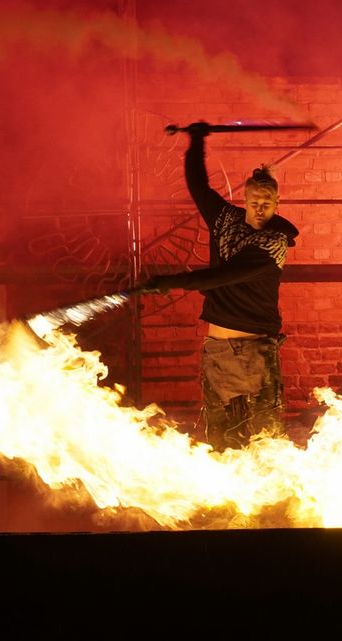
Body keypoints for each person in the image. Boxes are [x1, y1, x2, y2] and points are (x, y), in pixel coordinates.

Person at [141, 122, 299, 452]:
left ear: (277, 203)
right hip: (216, 351)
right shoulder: (226, 220)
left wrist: (172, 282)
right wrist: (196, 141)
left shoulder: (273, 244)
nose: (259, 209)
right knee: (221, 442)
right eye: (254, 201)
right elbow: (198, 186)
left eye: (267, 203)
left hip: (254, 351)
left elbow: (220, 277)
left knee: (265, 443)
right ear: (244, 198)